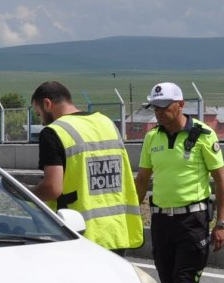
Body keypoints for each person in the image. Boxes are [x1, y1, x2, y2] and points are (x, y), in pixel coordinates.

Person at [132, 82, 224, 283]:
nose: (159, 113)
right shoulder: (152, 138)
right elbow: (142, 179)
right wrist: (130, 212)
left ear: (181, 105)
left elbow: (222, 182)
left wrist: (222, 223)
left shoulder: (203, 135)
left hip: (193, 220)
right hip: (162, 220)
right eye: (155, 108)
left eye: (164, 108)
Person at [30, 81, 143, 254]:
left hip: (81, 233)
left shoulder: (53, 132)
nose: (42, 121)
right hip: (117, 230)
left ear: (47, 104)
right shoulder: (106, 123)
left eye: (39, 114)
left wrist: (24, 195)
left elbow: (52, 188)